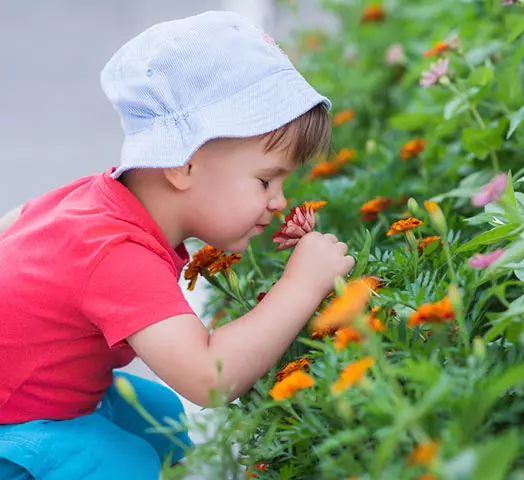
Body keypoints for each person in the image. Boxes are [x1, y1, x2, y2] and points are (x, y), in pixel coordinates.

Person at [0, 11, 354, 479]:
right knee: (121, 464)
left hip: (40, 391)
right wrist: (302, 285)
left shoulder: (97, 204)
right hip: (18, 421)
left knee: (162, 418)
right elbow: (209, 379)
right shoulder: (115, 253)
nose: (279, 201)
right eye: (266, 179)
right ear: (182, 163)